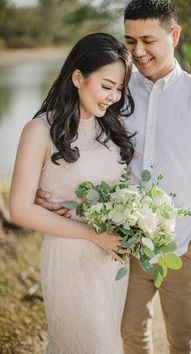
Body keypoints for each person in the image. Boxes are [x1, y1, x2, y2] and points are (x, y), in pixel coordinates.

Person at [35, 1, 191, 353]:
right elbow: (84, 149)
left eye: (148, 40)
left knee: (185, 342)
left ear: (174, 35)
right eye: (130, 41)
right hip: (125, 249)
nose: (138, 52)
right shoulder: (115, 95)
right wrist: (53, 190)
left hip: (182, 247)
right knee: (131, 337)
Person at [9, 33, 135, 354]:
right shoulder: (39, 131)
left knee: (107, 341)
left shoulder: (113, 126)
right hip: (69, 260)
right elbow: (20, 209)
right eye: (106, 86)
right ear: (78, 77)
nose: (113, 97)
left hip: (109, 261)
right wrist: (92, 234)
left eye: (119, 89)